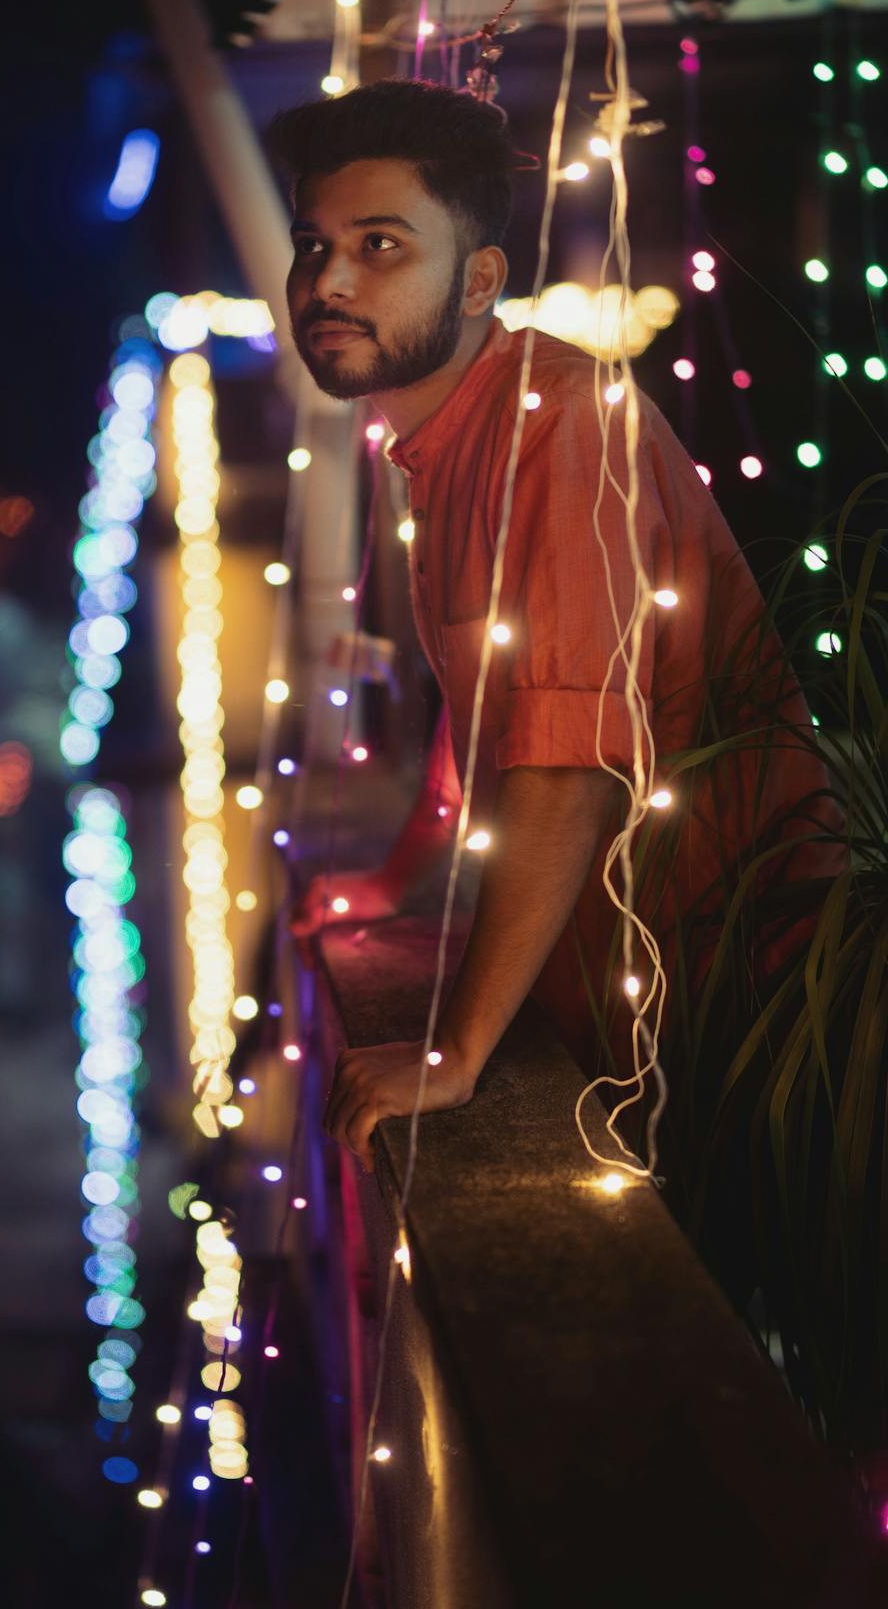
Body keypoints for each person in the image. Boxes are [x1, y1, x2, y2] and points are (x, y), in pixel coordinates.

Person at [267, 79, 846, 1174]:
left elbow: (564, 765)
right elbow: (494, 693)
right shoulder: (451, 437)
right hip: (630, 985)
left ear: (481, 277)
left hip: (737, 1010)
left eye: (380, 245)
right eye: (314, 245)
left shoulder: (559, 423)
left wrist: (458, 1051)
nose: (328, 282)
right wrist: (394, 880)